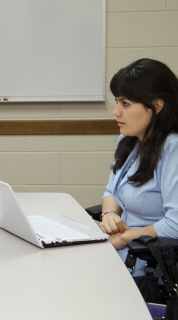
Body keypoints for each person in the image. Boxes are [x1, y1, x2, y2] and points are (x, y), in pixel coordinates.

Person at [99, 58, 178, 275]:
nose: (116, 111)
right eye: (117, 101)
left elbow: (175, 224)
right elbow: (110, 192)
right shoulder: (129, 141)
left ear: (157, 106)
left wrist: (126, 237)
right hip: (121, 254)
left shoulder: (173, 148)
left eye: (125, 103)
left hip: (150, 267)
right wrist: (109, 216)